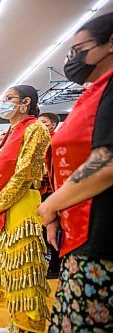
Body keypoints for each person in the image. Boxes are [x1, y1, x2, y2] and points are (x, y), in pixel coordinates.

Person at [37, 13, 113, 333]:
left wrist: (52, 203)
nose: (73, 59)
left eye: (79, 49)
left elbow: (107, 161)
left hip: (104, 239)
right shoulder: (94, 94)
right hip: (82, 232)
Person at [0, 85, 51, 333]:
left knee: (24, 268)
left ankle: (27, 327)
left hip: (23, 204)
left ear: (26, 102)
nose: (4, 103)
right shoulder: (11, 132)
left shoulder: (36, 129)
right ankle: (13, 325)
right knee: (9, 267)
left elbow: (22, 176)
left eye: (9, 98)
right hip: (6, 204)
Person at [37, 112, 62, 279]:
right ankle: (49, 261)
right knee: (44, 228)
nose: (39, 125)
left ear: (52, 125)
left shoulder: (56, 141)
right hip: (42, 191)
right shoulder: (41, 142)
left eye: (43, 122)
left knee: (54, 228)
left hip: (54, 191)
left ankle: (55, 267)